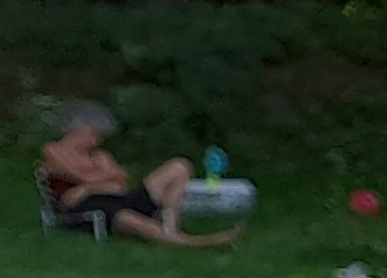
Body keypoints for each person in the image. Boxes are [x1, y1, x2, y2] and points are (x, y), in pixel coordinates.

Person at [40, 104, 239, 248]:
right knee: (129, 218)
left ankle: (171, 228)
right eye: (95, 134)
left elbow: (120, 183)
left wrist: (87, 187)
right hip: (87, 208)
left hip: (113, 199)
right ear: (78, 130)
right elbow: (73, 173)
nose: (97, 141)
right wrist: (104, 178)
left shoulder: (100, 156)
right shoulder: (54, 150)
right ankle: (196, 243)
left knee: (179, 166)